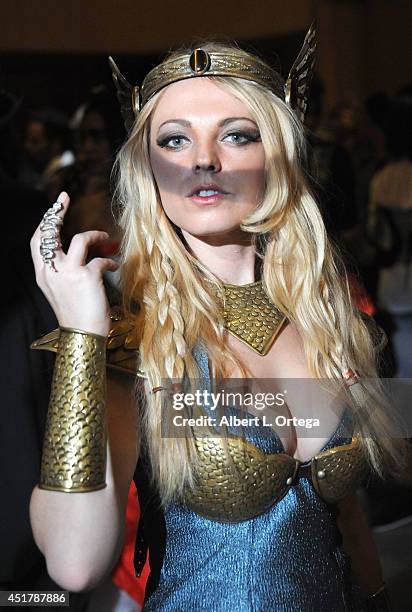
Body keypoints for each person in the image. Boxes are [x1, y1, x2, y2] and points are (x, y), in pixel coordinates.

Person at [28, 28, 406, 611]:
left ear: (276, 155)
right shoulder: (134, 336)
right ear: (149, 169)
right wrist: (82, 336)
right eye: (175, 140)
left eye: (236, 135)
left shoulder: (325, 313)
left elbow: (344, 513)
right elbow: (75, 565)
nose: (204, 159)